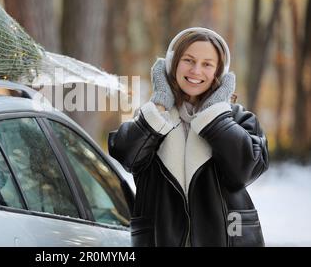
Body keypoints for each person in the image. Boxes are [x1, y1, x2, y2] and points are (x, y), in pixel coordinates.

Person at [108, 27, 269, 247]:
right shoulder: (153, 117)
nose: (196, 70)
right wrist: (160, 104)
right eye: (188, 60)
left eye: (207, 64)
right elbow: (127, 156)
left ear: (218, 72)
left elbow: (243, 171)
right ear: (173, 63)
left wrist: (214, 116)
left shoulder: (239, 118)